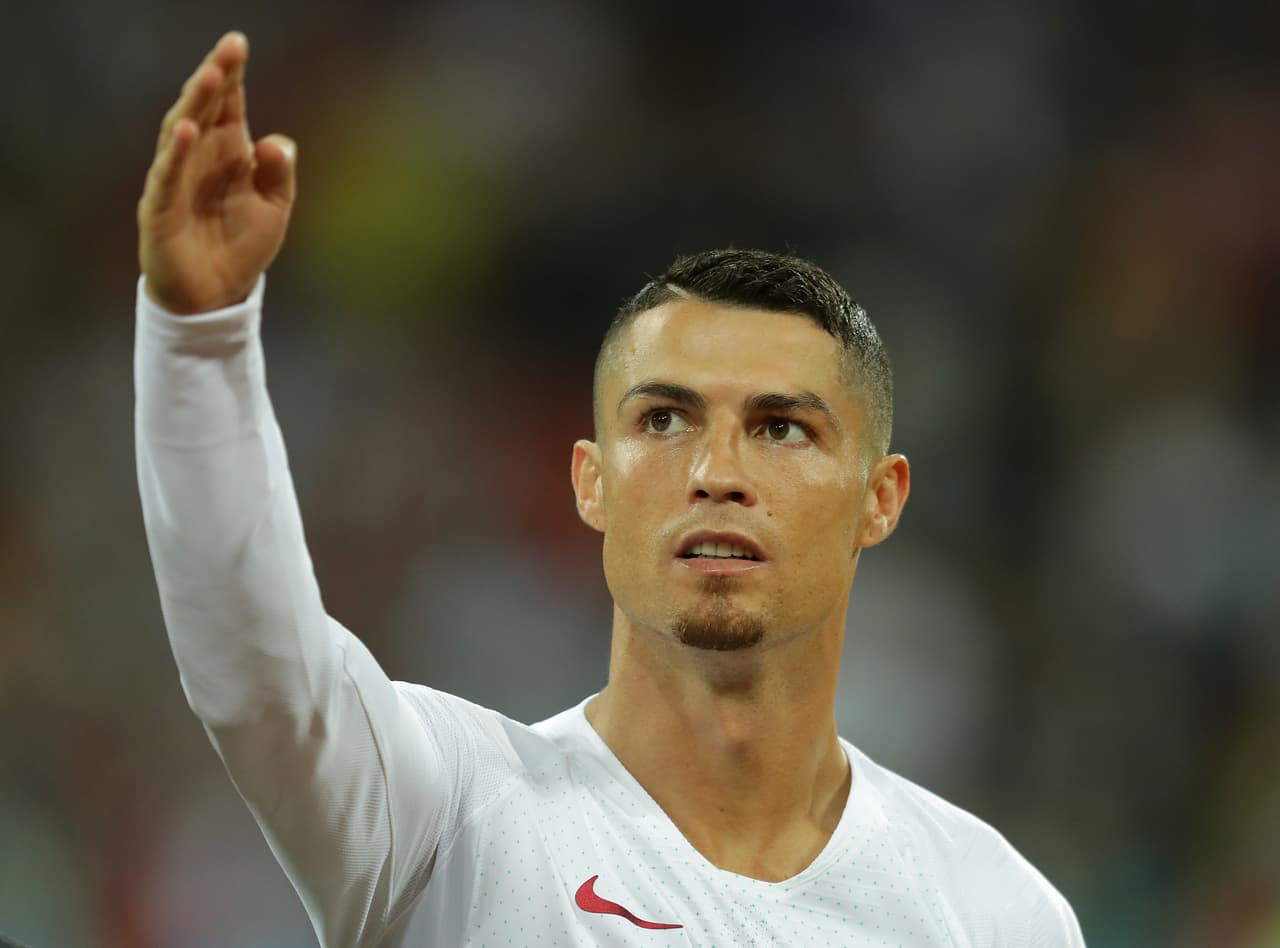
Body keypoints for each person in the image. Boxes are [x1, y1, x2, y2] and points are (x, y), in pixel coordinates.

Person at [135, 30, 1086, 948]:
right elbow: (255, 670)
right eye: (664, 421)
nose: (717, 474)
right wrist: (200, 336)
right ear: (591, 481)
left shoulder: (995, 912)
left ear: (881, 498)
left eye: (782, 428)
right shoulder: (450, 817)